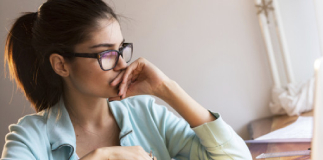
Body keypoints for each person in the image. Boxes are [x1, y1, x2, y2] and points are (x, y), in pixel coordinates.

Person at [1, 0, 252, 159]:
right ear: (61, 65)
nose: (122, 63)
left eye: (121, 48)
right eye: (106, 53)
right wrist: (102, 157)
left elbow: (236, 158)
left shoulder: (147, 114)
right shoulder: (29, 137)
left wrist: (166, 88)